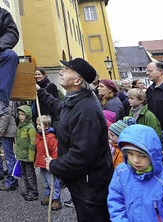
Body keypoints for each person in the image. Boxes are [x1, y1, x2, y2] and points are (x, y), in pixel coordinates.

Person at [39, 58, 113, 221]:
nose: (60, 71)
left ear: (78, 80)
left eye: (66, 69)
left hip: (90, 188)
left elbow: (81, 156)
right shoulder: (76, 99)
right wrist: (39, 91)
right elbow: (59, 108)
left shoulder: (87, 110)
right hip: (82, 184)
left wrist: (54, 165)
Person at [107, 124, 163, 222]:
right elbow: (115, 202)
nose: (135, 160)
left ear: (153, 154)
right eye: (130, 154)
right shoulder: (121, 172)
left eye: (142, 155)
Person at [35, 115, 63, 210]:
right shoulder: (38, 136)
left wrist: (53, 163)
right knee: (46, 182)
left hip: (49, 164)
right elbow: (38, 151)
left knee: (53, 182)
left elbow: (55, 152)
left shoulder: (50, 138)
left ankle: (56, 199)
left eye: (40, 124)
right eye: (37, 124)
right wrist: (36, 161)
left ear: (46, 126)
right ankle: (48, 196)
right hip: (41, 163)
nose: (38, 126)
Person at [15, 105, 38, 201]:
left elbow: (32, 144)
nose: (20, 116)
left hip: (28, 158)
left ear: (27, 115)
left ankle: (34, 192)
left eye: (23, 114)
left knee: (30, 175)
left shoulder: (31, 128)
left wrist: (31, 158)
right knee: (24, 174)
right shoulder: (20, 127)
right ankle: (28, 190)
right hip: (22, 156)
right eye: (19, 114)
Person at [0, 109, 19, 192]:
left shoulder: (4, 104)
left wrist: (1, 131)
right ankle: (12, 180)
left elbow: (5, 117)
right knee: (10, 157)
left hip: (7, 132)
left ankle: (11, 182)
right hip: (8, 131)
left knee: (9, 158)